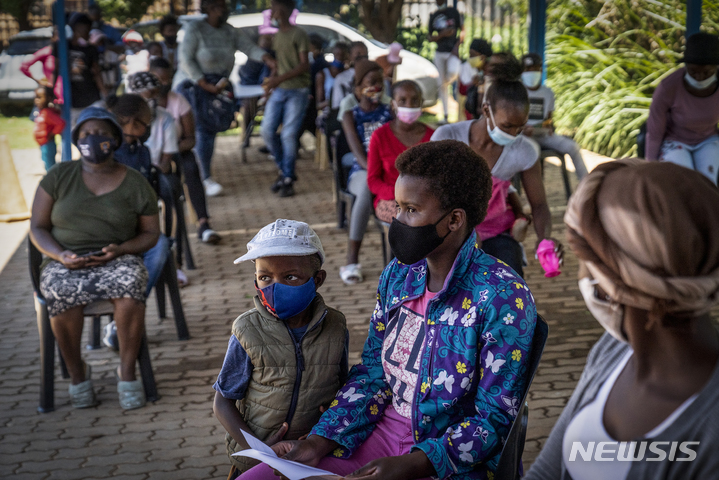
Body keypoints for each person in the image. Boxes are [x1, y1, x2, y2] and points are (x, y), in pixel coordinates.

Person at [237, 140, 538, 480]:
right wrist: (320, 441)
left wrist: (416, 463)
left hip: (447, 460)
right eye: (397, 207)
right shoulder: (399, 274)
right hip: (377, 435)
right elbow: (373, 371)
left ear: (454, 220)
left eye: (410, 209)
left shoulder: (502, 296)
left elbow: (496, 418)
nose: (397, 219)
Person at [525, 160, 719, 479]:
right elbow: (547, 469)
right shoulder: (614, 351)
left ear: (613, 284)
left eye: (586, 261)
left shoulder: (709, 431)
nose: (582, 273)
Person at [29, 107, 159, 410]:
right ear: (76, 140)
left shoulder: (135, 181)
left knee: (130, 286)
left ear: (114, 139)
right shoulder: (59, 176)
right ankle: (78, 375)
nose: (92, 139)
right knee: (62, 292)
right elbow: (37, 226)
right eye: (85, 134)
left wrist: (122, 249)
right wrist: (60, 255)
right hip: (65, 260)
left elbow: (152, 234)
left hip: (116, 258)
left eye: (100, 133)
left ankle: (126, 373)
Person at [213, 219, 349, 479]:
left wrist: (328, 427)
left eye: (290, 277)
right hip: (256, 458)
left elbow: (343, 386)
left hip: (313, 453)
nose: (275, 287)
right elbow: (222, 401)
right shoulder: (247, 330)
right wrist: (258, 448)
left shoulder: (335, 325)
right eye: (265, 277)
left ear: (317, 279)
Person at [432, 56, 562, 277]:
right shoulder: (448, 138)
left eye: (520, 128)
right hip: (449, 231)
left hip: (496, 233)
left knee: (509, 286)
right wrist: (464, 233)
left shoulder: (524, 150)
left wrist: (544, 239)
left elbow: (539, 205)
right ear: (486, 110)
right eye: (507, 126)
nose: (513, 134)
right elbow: (430, 196)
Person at [179, 0, 274, 197]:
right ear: (208, 9)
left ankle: (204, 175)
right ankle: (202, 178)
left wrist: (267, 58)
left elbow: (249, 47)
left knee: (209, 131)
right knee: (200, 131)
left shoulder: (230, 31)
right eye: (220, 7)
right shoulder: (195, 30)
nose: (225, 11)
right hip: (194, 87)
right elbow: (185, 58)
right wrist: (204, 83)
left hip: (218, 88)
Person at [150, 58, 222, 248]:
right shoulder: (141, 104)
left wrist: (169, 150)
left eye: (166, 79)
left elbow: (190, 139)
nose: (162, 84)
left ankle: (204, 224)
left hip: (176, 151)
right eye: (158, 79)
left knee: (191, 168)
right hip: (148, 155)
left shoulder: (179, 102)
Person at [339, 60, 393, 285]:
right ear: (358, 87)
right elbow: (357, 152)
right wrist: (375, 173)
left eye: (380, 83)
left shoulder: (390, 112)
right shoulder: (351, 115)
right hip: (362, 169)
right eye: (371, 83)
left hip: (389, 169)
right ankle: (352, 260)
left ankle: (399, 263)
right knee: (365, 188)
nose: (376, 88)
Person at [646, 32, 719, 184]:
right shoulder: (668, 87)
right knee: (683, 181)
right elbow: (654, 133)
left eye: (706, 73)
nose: (699, 78)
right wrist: (649, 167)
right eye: (693, 72)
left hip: (708, 140)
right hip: (675, 140)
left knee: (708, 182)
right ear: (686, 67)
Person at [260, 0, 311, 198]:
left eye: (274, 7)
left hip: (298, 90)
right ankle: (285, 171)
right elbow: (280, 64)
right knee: (266, 130)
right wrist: (273, 78)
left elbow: (304, 65)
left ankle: (287, 177)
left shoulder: (299, 34)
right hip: (280, 89)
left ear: (284, 9)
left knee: (288, 134)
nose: (272, 11)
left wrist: (278, 79)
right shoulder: (277, 35)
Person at [367, 80, 434, 224]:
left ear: (422, 102)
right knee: (409, 220)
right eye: (402, 100)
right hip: (391, 200)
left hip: (425, 200)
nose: (409, 105)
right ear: (393, 104)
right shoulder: (380, 136)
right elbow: (373, 180)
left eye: (415, 100)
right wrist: (398, 194)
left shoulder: (433, 137)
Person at [521, 53, 588, 181]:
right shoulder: (517, 91)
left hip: (544, 135)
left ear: (540, 70)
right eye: (528, 69)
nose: (532, 72)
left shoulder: (548, 93)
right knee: (533, 151)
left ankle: (588, 183)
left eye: (535, 69)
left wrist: (548, 127)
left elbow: (549, 120)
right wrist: (522, 129)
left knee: (573, 147)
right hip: (523, 136)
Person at [55, 13, 105, 126]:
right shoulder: (62, 46)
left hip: (91, 97)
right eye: (87, 28)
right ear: (77, 27)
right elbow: (55, 69)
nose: (89, 31)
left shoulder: (91, 49)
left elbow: (97, 72)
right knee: (74, 132)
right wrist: (52, 92)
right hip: (70, 100)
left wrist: (105, 93)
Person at [429, 0, 462, 124]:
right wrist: (442, 35)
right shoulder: (434, 16)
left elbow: (462, 31)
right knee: (442, 86)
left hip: (452, 52)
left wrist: (457, 48)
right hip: (439, 53)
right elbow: (430, 36)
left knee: (453, 74)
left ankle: (441, 84)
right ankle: (446, 115)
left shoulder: (453, 12)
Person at [32, 87, 65, 172]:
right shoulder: (42, 111)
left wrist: (52, 134)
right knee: (47, 163)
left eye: (39, 97)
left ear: (48, 98)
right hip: (43, 144)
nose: (37, 100)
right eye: (35, 97)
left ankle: (53, 182)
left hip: (48, 144)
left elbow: (60, 123)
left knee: (50, 166)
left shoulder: (48, 113)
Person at [458, 38, 492, 120]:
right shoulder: (477, 72)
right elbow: (462, 90)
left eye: (473, 55)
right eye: (470, 55)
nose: (470, 58)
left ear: (483, 57)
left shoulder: (490, 75)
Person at [331, 42, 369, 111]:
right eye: (358, 54)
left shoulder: (374, 75)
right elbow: (336, 106)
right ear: (349, 56)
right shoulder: (341, 78)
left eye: (365, 54)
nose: (363, 57)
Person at [315, 43, 349, 112]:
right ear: (333, 53)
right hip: (329, 112)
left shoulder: (349, 73)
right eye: (337, 54)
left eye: (342, 55)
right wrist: (333, 100)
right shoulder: (323, 74)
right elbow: (318, 105)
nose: (340, 57)